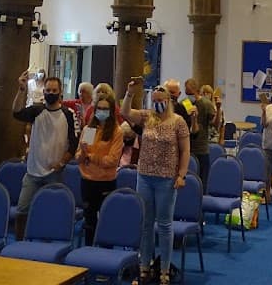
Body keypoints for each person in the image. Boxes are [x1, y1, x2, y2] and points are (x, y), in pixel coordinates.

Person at [122, 81, 190, 285]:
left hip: (167, 179)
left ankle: (165, 269)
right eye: (155, 101)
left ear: (168, 101)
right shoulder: (147, 117)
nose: (157, 104)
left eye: (161, 101)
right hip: (144, 176)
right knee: (146, 224)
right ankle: (144, 265)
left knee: (165, 225)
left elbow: (185, 150)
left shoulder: (178, 121)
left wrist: (182, 174)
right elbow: (125, 112)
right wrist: (129, 93)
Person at [11, 72, 77, 239]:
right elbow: (17, 112)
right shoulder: (36, 110)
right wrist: (21, 89)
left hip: (54, 172)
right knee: (22, 210)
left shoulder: (68, 114)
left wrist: (62, 162)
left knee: (52, 211)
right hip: (33, 171)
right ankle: (20, 242)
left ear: (60, 92)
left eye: (54, 90)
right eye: (48, 90)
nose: (50, 93)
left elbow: (74, 143)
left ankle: (49, 241)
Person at [76, 90, 124, 243]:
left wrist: (90, 157)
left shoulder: (116, 131)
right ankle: (89, 248)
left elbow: (112, 160)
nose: (102, 112)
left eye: (105, 109)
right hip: (88, 180)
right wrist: (84, 154)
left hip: (106, 181)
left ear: (111, 111)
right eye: (99, 108)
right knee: (89, 219)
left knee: (106, 218)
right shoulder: (89, 130)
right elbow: (79, 157)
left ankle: (106, 249)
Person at [186, 78, 215, 186]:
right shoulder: (186, 103)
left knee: (202, 181)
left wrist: (219, 109)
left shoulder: (206, 104)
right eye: (186, 93)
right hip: (188, 147)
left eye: (190, 93)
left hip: (201, 148)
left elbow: (215, 124)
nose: (188, 95)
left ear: (197, 91)